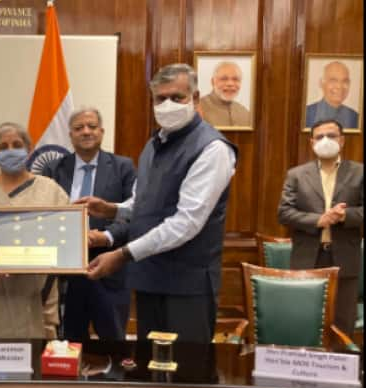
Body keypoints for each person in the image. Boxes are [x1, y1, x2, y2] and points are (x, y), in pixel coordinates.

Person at [77, 63, 238, 344]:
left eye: (177, 98)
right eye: (160, 99)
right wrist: (112, 209)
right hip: (150, 279)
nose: (167, 105)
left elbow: (186, 223)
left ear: (196, 98)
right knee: (150, 372)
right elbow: (144, 202)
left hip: (187, 287)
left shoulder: (213, 149)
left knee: (187, 374)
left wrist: (123, 255)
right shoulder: (154, 144)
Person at [0, 122, 70, 340]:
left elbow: (62, 235)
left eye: (17, 144)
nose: (10, 150)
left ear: (28, 148)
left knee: (34, 357)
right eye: (3, 146)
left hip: (36, 287)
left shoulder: (50, 189)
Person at [40, 107, 136, 340]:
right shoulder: (53, 169)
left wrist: (106, 236)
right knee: (66, 346)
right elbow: (44, 214)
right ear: (70, 135)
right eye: (79, 128)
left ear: (102, 132)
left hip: (108, 267)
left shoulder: (123, 167)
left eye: (92, 126)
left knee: (112, 343)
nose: (86, 132)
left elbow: (132, 212)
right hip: (64, 273)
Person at [278, 119, 363, 337]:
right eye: (319, 136)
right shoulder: (296, 174)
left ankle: (343, 367)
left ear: (342, 141)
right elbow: (284, 213)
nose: (325, 141)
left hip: (345, 258)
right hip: (307, 257)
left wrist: (346, 215)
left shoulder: (359, 172)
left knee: (343, 325)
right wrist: (319, 220)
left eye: (332, 136)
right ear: (311, 142)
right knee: (304, 320)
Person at [306, 61, 359, 129]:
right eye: (333, 80)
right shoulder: (307, 114)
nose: (339, 86)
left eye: (345, 81)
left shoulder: (355, 117)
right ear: (321, 83)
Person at [199, 61, 251, 127]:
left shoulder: (245, 113)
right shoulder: (198, 108)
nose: (230, 84)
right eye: (224, 79)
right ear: (212, 82)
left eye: (235, 79)